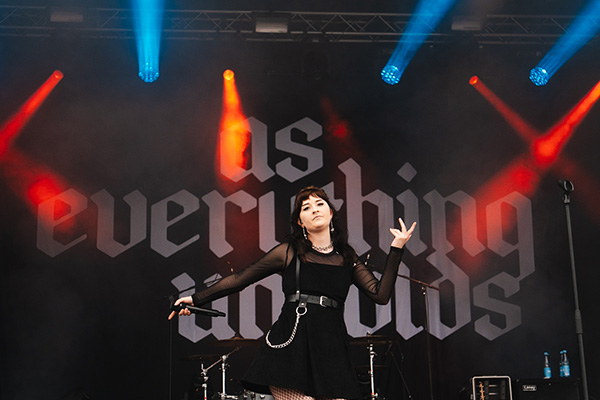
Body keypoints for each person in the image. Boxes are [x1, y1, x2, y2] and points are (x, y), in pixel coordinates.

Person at [169, 186, 416, 400]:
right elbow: (240, 279)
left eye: (320, 204)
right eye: (306, 207)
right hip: (291, 345)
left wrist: (396, 249)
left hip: (331, 347)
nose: (315, 209)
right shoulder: (289, 252)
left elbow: (380, 294)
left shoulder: (347, 257)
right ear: (300, 222)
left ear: (331, 213)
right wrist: (195, 298)